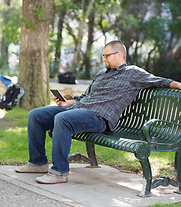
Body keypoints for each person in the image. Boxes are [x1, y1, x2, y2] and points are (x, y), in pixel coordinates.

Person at [15, 40, 181, 184]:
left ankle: (59, 172)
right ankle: (37, 163)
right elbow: (85, 96)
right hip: (79, 109)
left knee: (62, 119)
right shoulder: (101, 74)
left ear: (119, 55)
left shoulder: (133, 73)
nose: (103, 59)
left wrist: (179, 85)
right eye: (103, 56)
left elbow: (161, 81)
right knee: (35, 115)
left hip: (99, 118)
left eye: (106, 56)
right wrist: (68, 102)